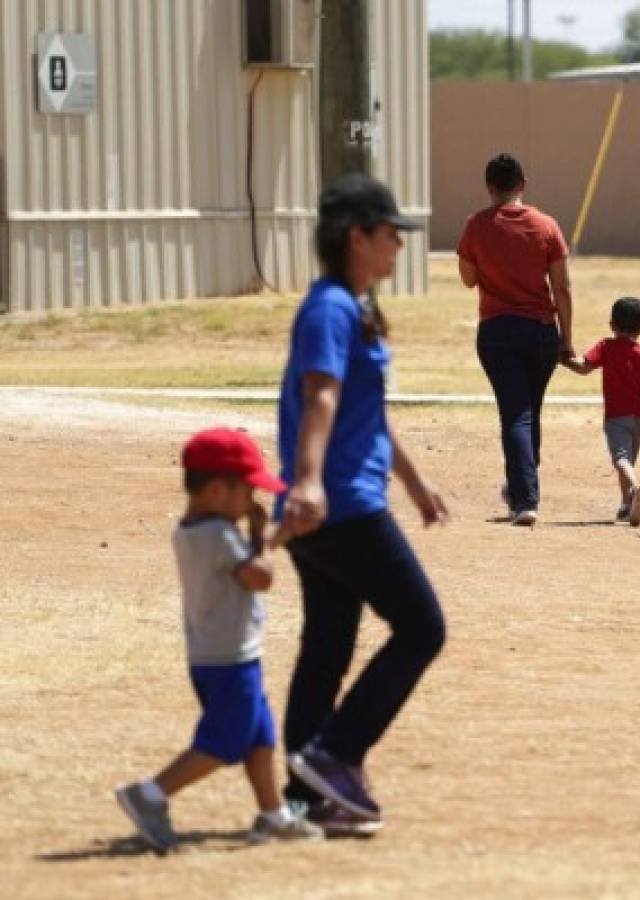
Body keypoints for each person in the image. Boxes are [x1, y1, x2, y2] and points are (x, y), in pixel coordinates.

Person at [277, 174, 448, 837]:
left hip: (339, 498)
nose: (399, 247)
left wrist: (411, 479)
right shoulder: (330, 309)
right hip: (339, 503)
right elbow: (320, 395)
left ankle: (301, 798)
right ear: (357, 237)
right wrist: (310, 481)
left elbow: (364, 408)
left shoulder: (353, 305)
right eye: (390, 235)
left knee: (326, 645)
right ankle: (335, 755)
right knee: (421, 627)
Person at [115, 428, 323, 853]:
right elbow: (260, 577)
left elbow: (243, 565)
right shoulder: (221, 536)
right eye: (247, 491)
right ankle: (150, 794)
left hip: (214, 655)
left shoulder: (192, 530)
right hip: (230, 660)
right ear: (215, 490)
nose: (252, 500)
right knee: (227, 740)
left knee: (260, 737)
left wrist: (271, 535)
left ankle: (273, 815)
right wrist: (264, 536)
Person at [457, 153, 574, 526]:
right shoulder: (546, 226)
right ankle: (522, 485)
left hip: (497, 330)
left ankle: (523, 496)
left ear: (490, 187)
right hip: (540, 329)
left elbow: (468, 278)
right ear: (523, 183)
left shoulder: (477, 225)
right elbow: (562, 287)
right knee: (529, 411)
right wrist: (566, 339)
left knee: (515, 413)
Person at [563, 297, 640, 526]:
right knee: (629, 459)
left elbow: (583, 367)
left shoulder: (606, 347)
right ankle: (626, 505)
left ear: (612, 324)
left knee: (621, 459)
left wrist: (561, 359)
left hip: (616, 416)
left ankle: (636, 487)